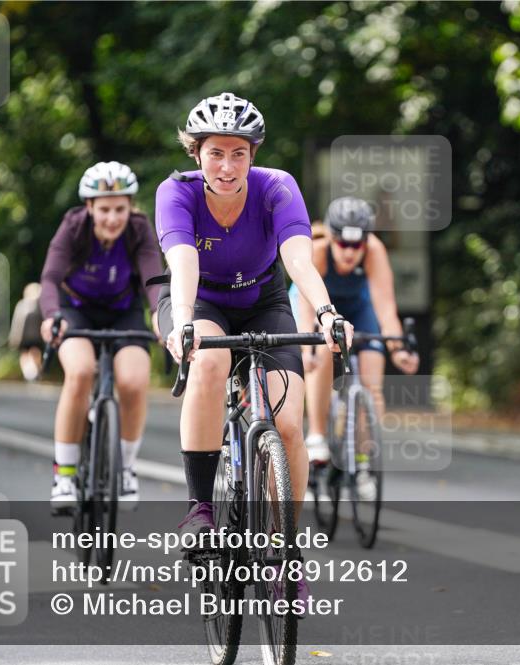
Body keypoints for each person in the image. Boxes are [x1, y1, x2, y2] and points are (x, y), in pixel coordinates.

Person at [154, 93, 353, 589]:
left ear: (253, 155)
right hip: (196, 301)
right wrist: (183, 324)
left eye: (238, 153)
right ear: (196, 153)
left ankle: (285, 549)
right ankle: (200, 509)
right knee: (209, 364)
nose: (227, 165)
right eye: (216, 152)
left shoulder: (277, 188)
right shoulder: (175, 193)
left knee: (288, 423)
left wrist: (327, 312)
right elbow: (183, 265)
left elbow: (299, 259)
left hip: (263, 300)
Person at [39, 161, 162, 511]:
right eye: (104, 209)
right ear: (89, 207)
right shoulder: (74, 227)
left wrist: (159, 315)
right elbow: (49, 279)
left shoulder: (138, 229)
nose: (112, 218)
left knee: (135, 381)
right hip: (75, 309)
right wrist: (51, 316)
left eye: (120, 209)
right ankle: (64, 474)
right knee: (79, 372)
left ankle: (124, 468)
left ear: (130, 207)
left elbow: (153, 279)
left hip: (124, 312)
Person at [289, 197, 420, 499]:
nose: (350, 253)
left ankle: (363, 462)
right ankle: (318, 436)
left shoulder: (374, 250)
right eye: (343, 245)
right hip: (318, 308)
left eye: (357, 245)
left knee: (372, 383)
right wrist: (307, 343)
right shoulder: (318, 251)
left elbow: (386, 308)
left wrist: (399, 348)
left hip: (359, 310)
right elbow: (307, 307)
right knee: (322, 352)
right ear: (332, 238)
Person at [8, 282, 43, 381]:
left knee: (26, 354)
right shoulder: (39, 305)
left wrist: (14, 337)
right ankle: (33, 373)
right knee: (34, 353)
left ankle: (29, 373)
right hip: (35, 336)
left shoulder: (21, 305)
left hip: (24, 336)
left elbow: (17, 323)